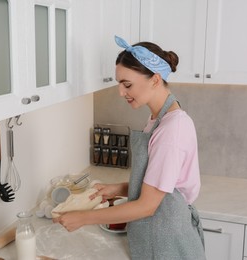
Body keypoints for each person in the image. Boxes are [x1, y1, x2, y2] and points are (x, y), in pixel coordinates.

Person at [53, 36, 206, 260]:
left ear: (155, 80)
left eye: (127, 84)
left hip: (167, 241)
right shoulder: (158, 119)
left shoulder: (172, 129)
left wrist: (82, 217)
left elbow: (147, 206)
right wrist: (119, 188)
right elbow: (163, 184)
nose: (121, 92)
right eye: (119, 84)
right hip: (156, 232)